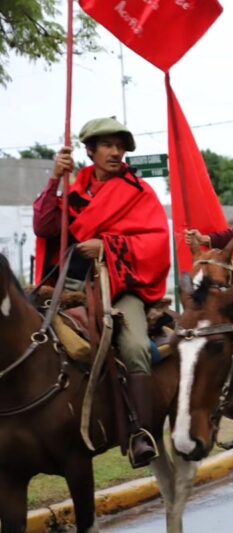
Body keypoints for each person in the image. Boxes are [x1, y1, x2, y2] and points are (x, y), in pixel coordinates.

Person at [33, 117, 170, 468]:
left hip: (121, 286)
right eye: (107, 145)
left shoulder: (139, 192)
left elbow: (157, 243)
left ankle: (141, 433)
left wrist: (106, 247)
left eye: (120, 146)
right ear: (90, 150)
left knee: (135, 346)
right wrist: (54, 179)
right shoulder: (75, 192)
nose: (115, 152)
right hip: (70, 286)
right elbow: (44, 226)